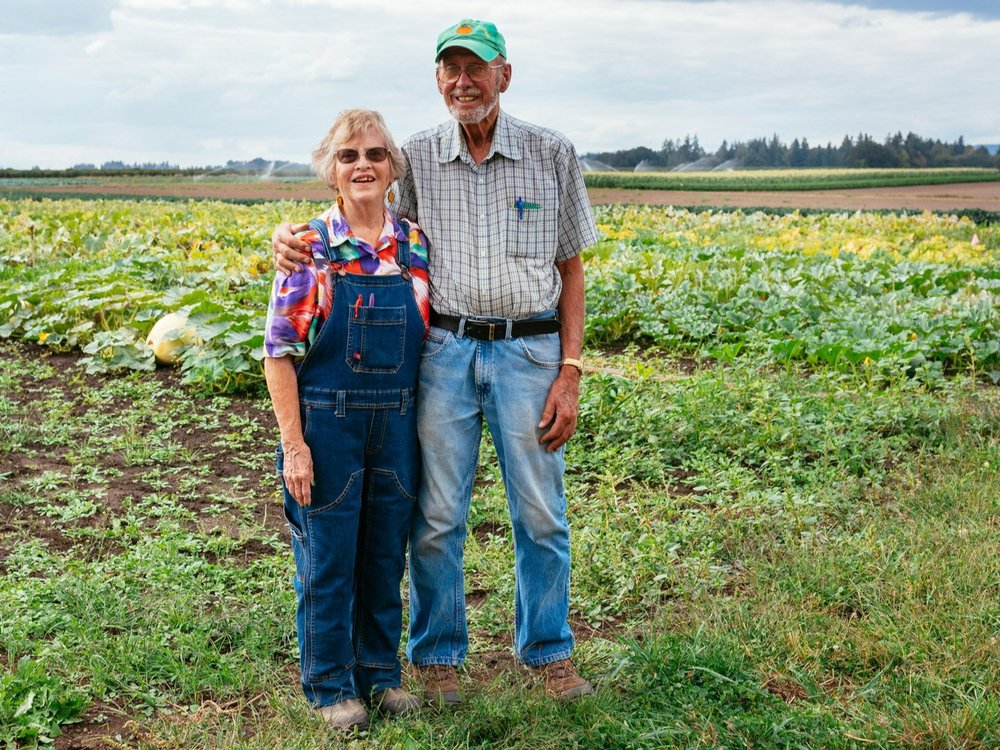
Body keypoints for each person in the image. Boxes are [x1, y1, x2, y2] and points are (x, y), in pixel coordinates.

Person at [272, 19, 599, 704]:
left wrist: (570, 369)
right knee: (436, 515)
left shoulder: (552, 152)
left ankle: (548, 652)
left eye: (476, 67)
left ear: (503, 74)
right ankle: (438, 657)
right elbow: (360, 215)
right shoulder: (417, 155)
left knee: (540, 512)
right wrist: (287, 237)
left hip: (530, 350)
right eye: (449, 68)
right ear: (438, 80)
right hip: (444, 353)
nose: (463, 81)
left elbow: (571, 269)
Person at [263, 108, 430, 731]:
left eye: (376, 155)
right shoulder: (310, 247)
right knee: (329, 560)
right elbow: (277, 353)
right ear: (331, 171)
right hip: (328, 423)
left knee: (386, 556)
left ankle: (380, 677)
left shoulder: (414, 244)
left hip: (398, 423)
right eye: (349, 156)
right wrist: (295, 446)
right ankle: (331, 685)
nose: (363, 165)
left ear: (392, 169)